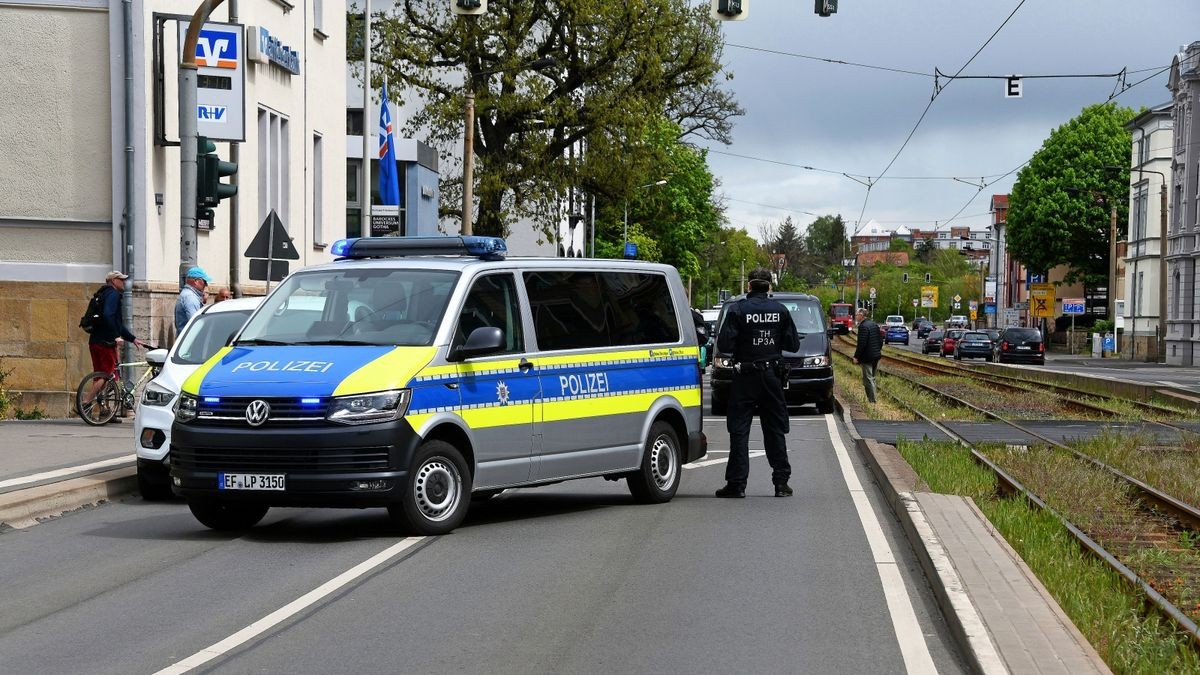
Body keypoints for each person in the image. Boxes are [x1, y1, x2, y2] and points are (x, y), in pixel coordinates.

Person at [714, 268, 800, 499]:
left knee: (739, 431)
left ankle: (737, 484)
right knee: (774, 430)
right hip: (772, 377)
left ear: (749, 286)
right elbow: (793, 345)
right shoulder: (780, 311)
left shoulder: (737, 310)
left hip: (745, 377)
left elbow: (725, 345)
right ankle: (781, 484)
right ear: (769, 286)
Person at [81, 271, 145, 416]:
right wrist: (116, 336)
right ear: (113, 281)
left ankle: (105, 410)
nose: (124, 283)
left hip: (95, 341)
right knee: (108, 375)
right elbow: (109, 316)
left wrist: (132, 338)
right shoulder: (113, 295)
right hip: (106, 342)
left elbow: (118, 324)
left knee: (100, 376)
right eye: (121, 280)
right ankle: (85, 403)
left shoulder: (102, 294)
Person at [852, 308, 883, 403]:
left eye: (857, 314)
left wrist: (856, 357)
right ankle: (873, 399)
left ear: (861, 315)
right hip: (876, 355)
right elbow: (880, 340)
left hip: (867, 357)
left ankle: (872, 401)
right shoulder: (874, 324)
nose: (855, 316)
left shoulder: (863, 327)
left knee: (868, 379)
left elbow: (861, 344)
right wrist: (877, 350)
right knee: (872, 378)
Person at [175, 266, 212, 332]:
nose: (206, 285)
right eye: (205, 282)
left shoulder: (188, 295)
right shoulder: (190, 297)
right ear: (196, 281)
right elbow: (195, 324)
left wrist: (202, 301)